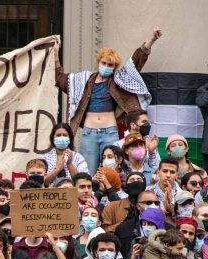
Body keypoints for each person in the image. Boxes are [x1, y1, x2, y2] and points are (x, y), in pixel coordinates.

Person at [53, 28, 161, 172]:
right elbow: (60, 79)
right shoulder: (82, 80)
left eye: (110, 65)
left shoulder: (119, 80)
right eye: (104, 63)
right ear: (98, 62)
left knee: (112, 170)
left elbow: (137, 60)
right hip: (89, 133)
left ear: (114, 67)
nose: (106, 67)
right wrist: (55, 55)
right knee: (87, 171)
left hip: (110, 132)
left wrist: (152, 39)